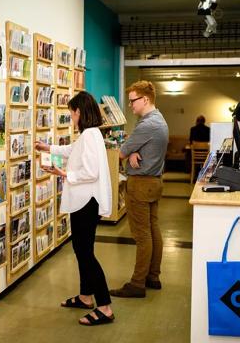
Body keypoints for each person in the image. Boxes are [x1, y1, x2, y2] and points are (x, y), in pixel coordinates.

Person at [35, 91, 114, 326]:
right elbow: (72, 151)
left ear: (79, 111)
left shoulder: (90, 135)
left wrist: (63, 173)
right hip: (85, 201)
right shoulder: (91, 135)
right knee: (82, 250)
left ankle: (105, 307)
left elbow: (90, 172)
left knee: (86, 253)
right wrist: (48, 148)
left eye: (71, 112)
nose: (71, 116)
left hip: (85, 202)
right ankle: (85, 296)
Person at [109, 80, 169, 298]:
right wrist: (134, 152)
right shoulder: (159, 120)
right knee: (153, 230)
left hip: (141, 184)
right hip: (154, 181)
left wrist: (130, 152)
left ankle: (137, 283)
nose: (130, 105)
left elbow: (122, 152)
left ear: (145, 99)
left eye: (133, 100)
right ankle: (153, 276)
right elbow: (133, 150)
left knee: (142, 235)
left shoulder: (146, 125)